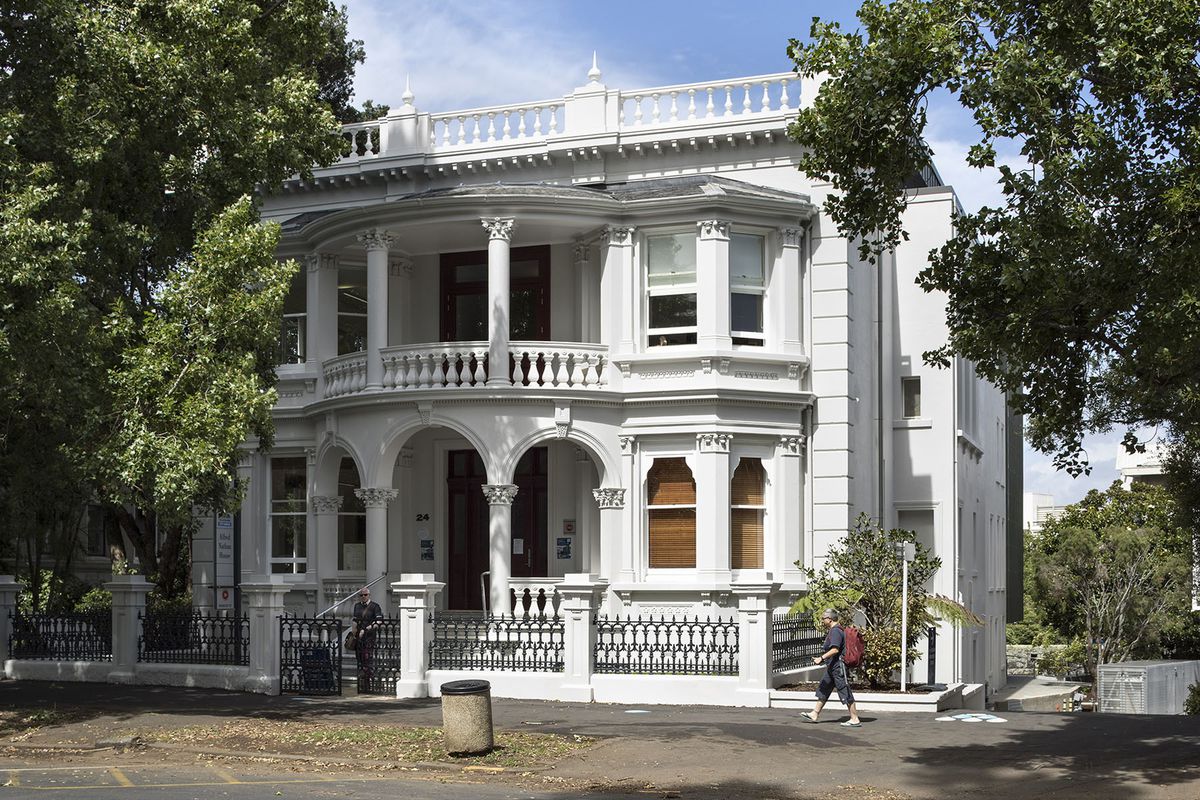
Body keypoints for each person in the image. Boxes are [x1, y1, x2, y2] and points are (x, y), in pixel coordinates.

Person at [801, 608, 862, 727]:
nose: (822, 621)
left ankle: (854, 718)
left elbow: (835, 649)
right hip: (832, 667)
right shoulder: (835, 630)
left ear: (829, 619)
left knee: (844, 690)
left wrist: (821, 658)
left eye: (823, 618)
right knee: (824, 688)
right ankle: (815, 713)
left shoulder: (835, 631)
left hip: (837, 667)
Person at [351, 588, 383, 682]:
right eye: (361, 595)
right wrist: (354, 631)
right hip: (358, 636)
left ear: (369, 595)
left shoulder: (375, 606)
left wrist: (365, 630)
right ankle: (362, 675)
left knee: (367, 656)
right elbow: (355, 620)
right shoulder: (357, 606)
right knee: (359, 656)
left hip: (369, 636)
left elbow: (379, 621)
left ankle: (368, 677)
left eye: (365, 595)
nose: (363, 597)